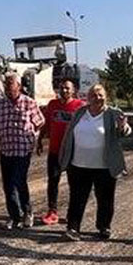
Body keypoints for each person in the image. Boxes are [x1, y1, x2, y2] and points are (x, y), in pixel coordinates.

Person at [58, 84, 131, 241]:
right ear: (88, 97)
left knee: (105, 199)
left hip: (104, 166)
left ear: (106, 96)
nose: (97, 98)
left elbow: (124, 132)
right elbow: (69, 133)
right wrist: (64, 155)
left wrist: (122, 126)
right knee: (77, 198)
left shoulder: (113, 113)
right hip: (78, 165)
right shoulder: (79, 113)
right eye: (94, 95)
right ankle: (73, 228)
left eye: (100, 95)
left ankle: (104, 226)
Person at [0, 73, 46, 229]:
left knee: (18, 182)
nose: (7, 87)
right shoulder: (0, 104)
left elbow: (40, 122)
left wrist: (33, 137)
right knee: (8, 185)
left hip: (22, 151)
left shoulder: (29, 103)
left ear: (18, 86)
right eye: (6, 84)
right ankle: (14, 216)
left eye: (10, 84)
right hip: (6, 150)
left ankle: (27, 212)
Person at [35, 79, 85, 225]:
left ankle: (72, 213)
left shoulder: (80, 106)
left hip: (72, 152)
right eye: (62, 88)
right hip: (54, 151)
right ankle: (52, 211)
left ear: (73, 90)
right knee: (53, 181)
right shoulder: (52, 105)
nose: (64, 91)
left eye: (67, 88)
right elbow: (47, 123)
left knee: (74, 184)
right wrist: (39, 141)